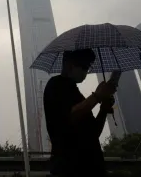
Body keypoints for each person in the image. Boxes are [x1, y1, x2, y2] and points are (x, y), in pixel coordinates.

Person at [44, 49, 118, 177]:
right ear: (69, 64)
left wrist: (104, 109)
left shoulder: (77, 93)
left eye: (88, 67)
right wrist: (98, 96)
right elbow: (70, 116)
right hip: (69, 167)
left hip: (92, 167)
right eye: (83, 66)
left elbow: (93, 133)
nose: (85, 72)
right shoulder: (55, 85)